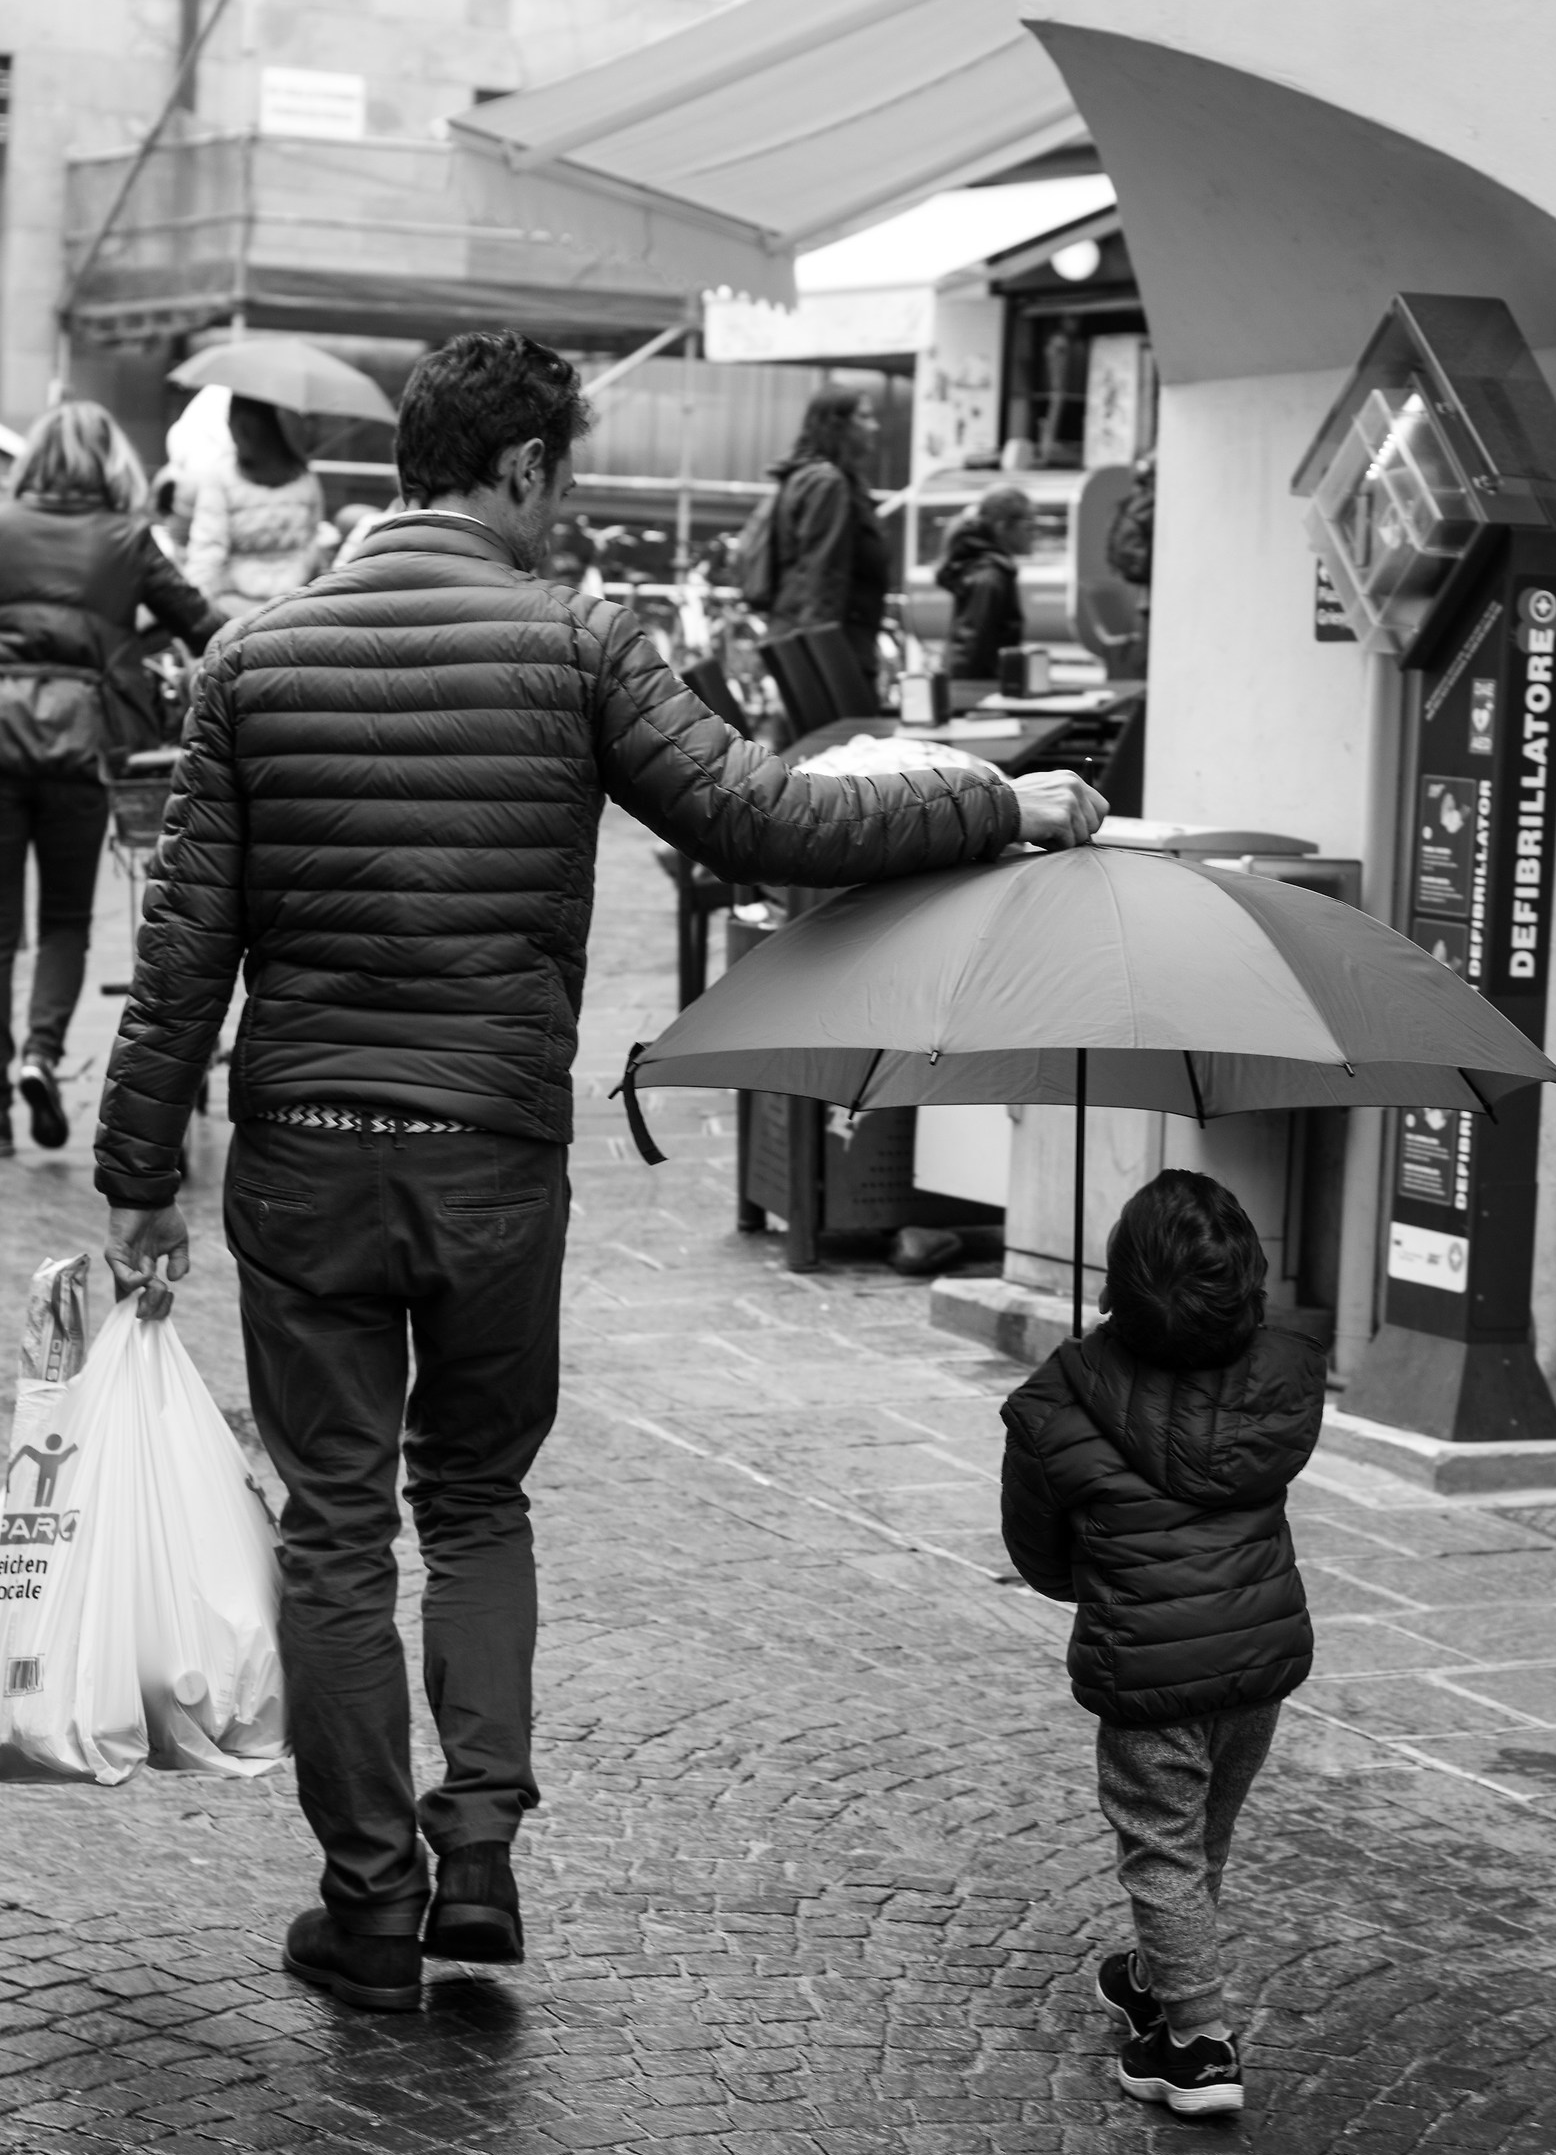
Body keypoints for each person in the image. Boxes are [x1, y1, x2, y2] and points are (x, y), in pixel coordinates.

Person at [94, 328, 1108, 2014]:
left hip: (307, 1162)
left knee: (335, 1525)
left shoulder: (260, 662)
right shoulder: (579, 642)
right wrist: (1005, 804)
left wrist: (142, 1176)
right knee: (476, 1498)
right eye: (559, 479)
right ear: (522, 474)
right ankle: (476, 1854)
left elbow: (188, 943)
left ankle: (366, 1904)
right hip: (487, 1158)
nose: (562, 512)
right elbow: (768, 818)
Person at [999, 1170, 1325, 2116]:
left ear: (1119, 1281)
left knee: (1163, 1849)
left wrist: (1101, 1585)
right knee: (1201, 1833)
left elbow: (1038, 1550)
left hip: (1148, 1669)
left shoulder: (1063, 1397)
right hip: (1257, 1662)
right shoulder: (1282, 1377)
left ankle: (1196, 2045)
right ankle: (1154, 1975)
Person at [0, 401, 222, 1156]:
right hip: (81, 748)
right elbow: (206, 628)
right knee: (65, 919)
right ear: (108, 461)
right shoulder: (127, 540)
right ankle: (41, 1054)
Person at [766, 386, 889, 681]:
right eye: (865, 417)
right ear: (838, 424)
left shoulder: (805, 475)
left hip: (808, 641)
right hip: (832, 651)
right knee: (842, 729)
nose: (875, 426)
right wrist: (823, 665)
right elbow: (822, 575)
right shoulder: (828, 484)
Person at [185, 394, 324, 618]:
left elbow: (207, 551)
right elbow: (313, 548)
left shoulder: (220, 476)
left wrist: (191, 612)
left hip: (232, 613)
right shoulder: (305, 477)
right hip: (292, 610)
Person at [936, 485, 1035, 678]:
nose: (1034, 533)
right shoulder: (990, 578)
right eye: (1029, 525)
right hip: (977, 691)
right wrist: (961, 699)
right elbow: (970, 646)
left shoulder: (993, 570)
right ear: (1001, 527)